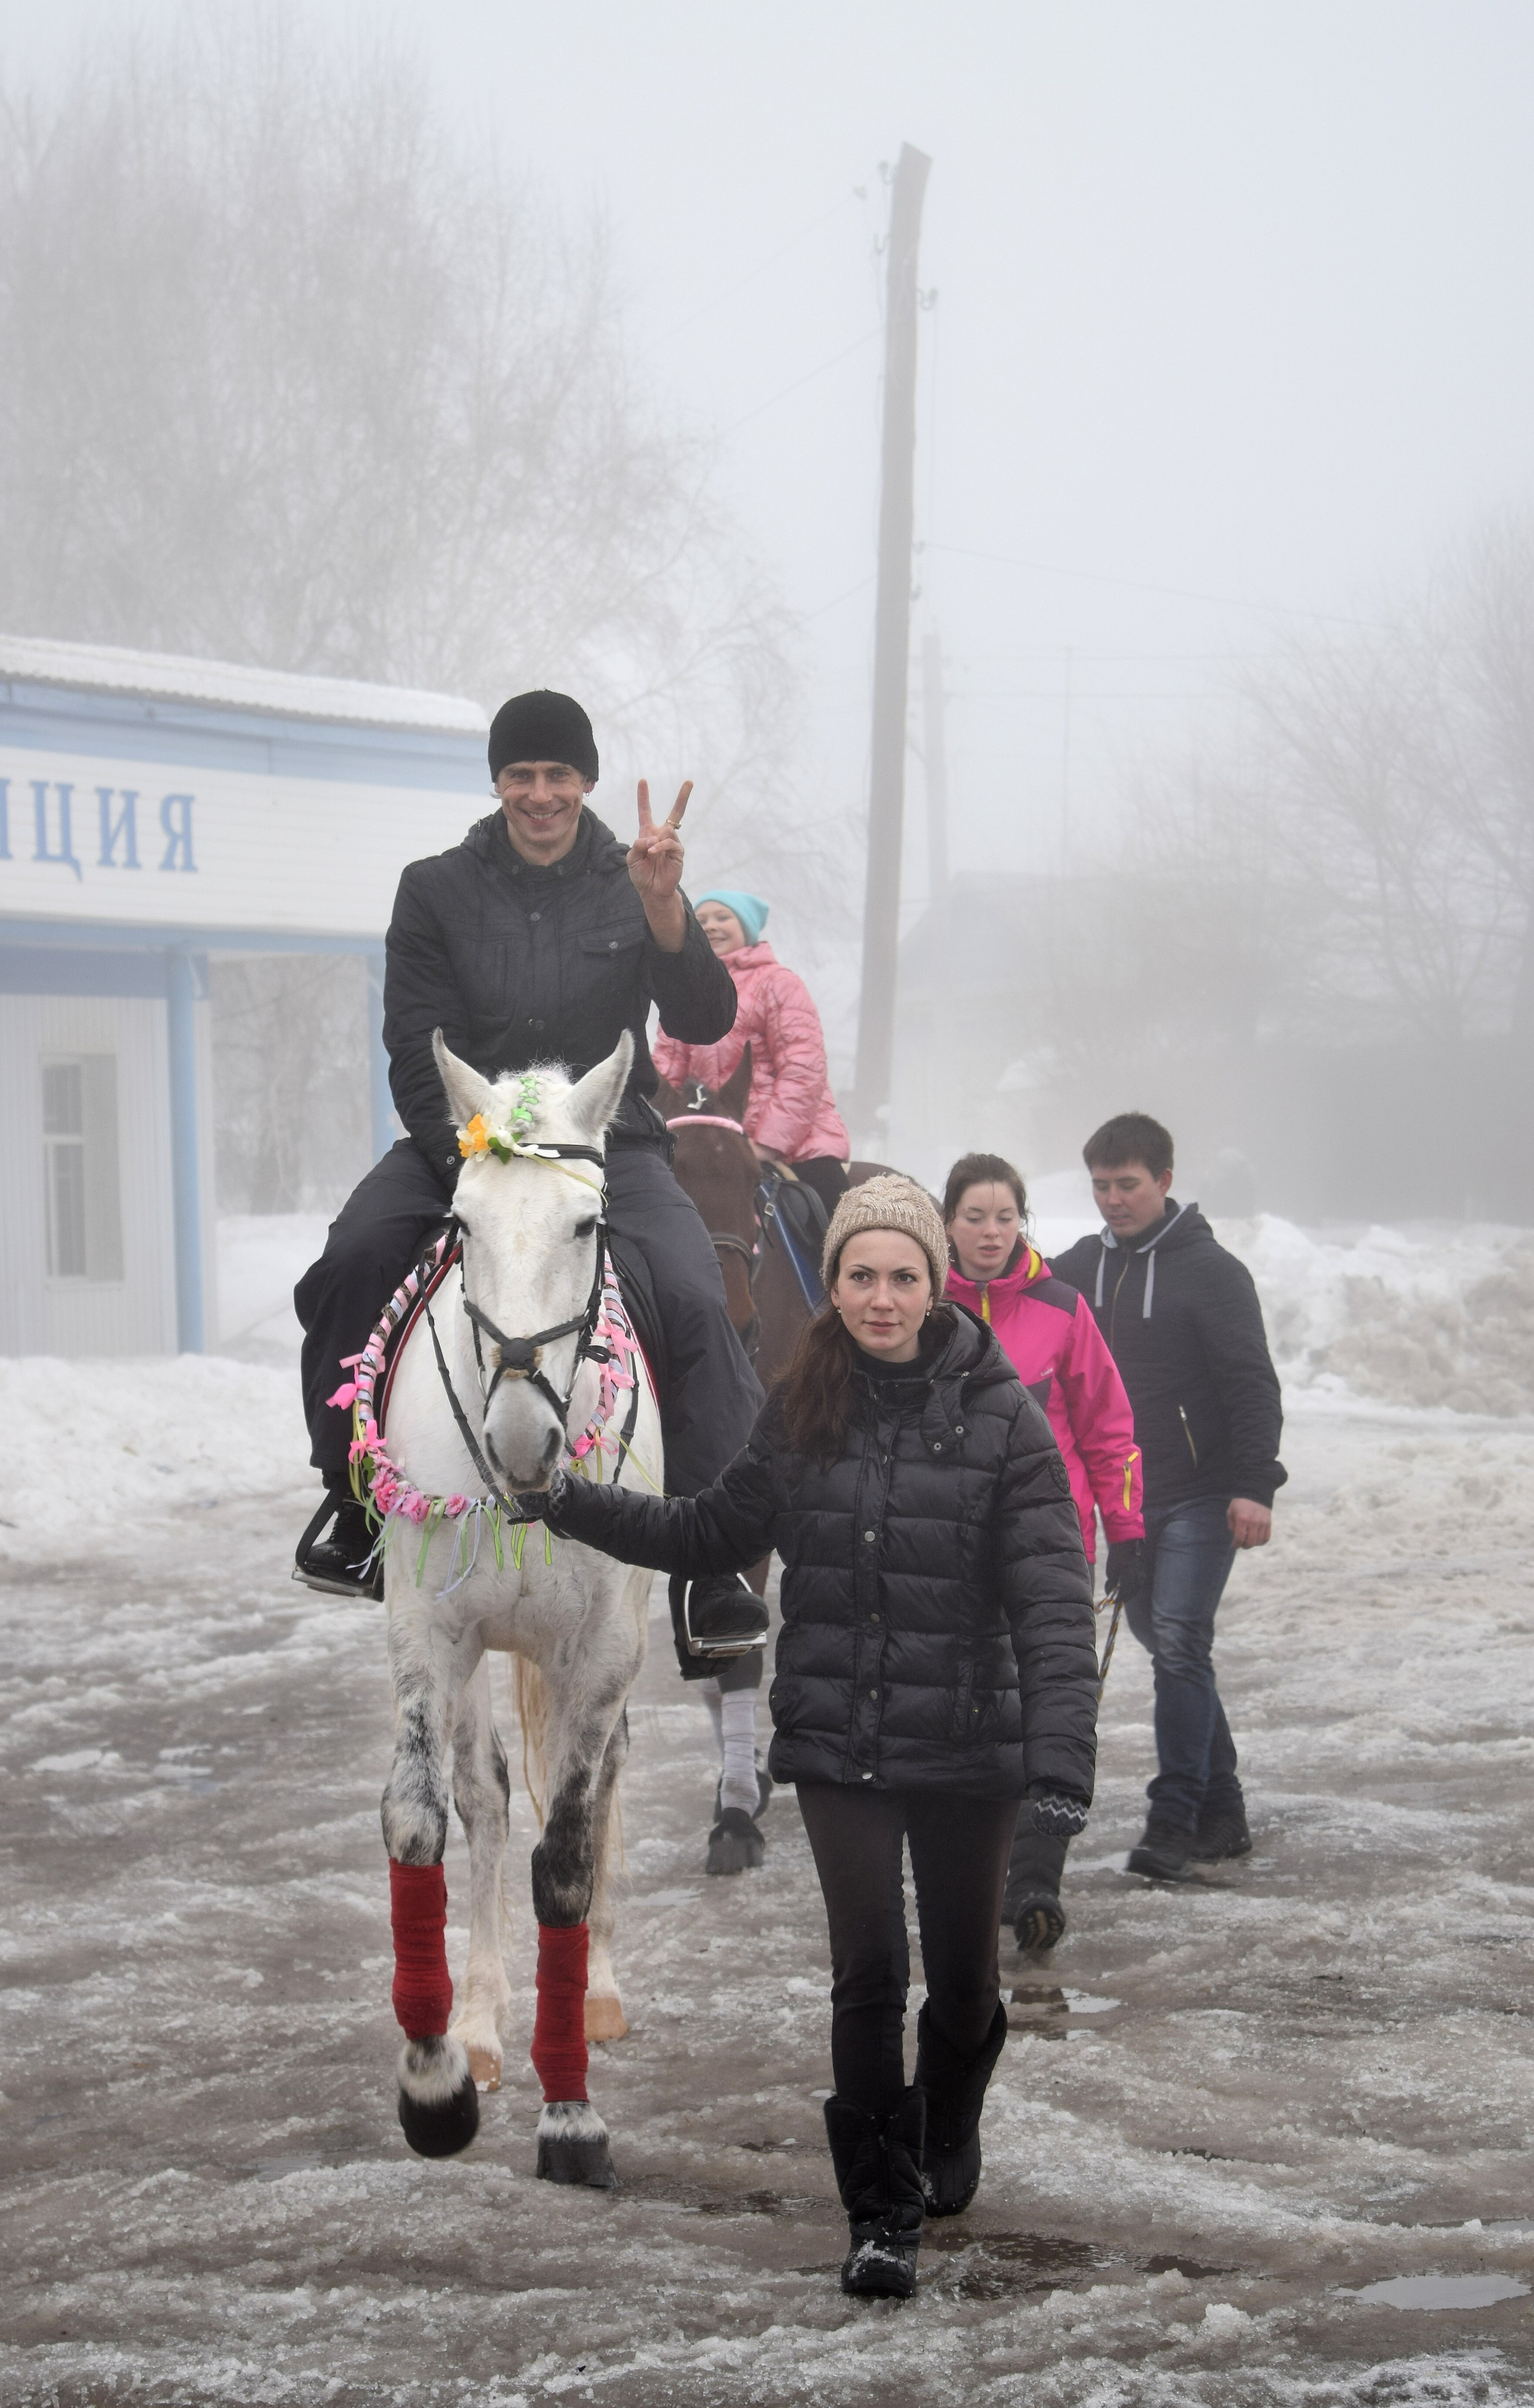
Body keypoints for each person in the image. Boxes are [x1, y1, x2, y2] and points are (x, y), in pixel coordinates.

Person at [529, 1175, 1099, 2298]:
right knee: (869, 1971)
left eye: (903, 1276)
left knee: (968, 1983)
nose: (880, 1298)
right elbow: (712, 1528)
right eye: (859, 1276)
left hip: (970, 1741)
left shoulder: (1004, 1416)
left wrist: (1062, 1761)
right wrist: (567, 1497)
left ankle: (948, 2111)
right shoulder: (800, 1407)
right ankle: (880, 2212)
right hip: (842, 1736)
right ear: (831, 1284)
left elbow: (1051, 1600)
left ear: (938, 1286)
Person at [292, 689, 768, 1694]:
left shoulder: (635, 879)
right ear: (499, 781)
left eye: (559, 774)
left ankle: (713, 1563)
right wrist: (476, 1146)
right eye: (522, 774)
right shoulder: (434, 888)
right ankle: (352, 1503)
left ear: (585, 781)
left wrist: (663, 909)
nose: (541, 793)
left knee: (692, 1296)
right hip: (462, 1139)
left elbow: (706, 1016)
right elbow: (413, 1041)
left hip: (609, 1144)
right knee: (351, 1262)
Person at [1051, 1112, 1286, 1883]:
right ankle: (1224, 1810)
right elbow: (1011, 1290)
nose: (1113, 1200)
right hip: (1123, 1499)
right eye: (1100, 1186)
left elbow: (1252, 1385)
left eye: (1128, 1185)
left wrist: (1255, 1486)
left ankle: (1176, 1817)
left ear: (1165, 1182)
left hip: (1199, 1493)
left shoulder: (1211, 1273)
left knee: (1181, 1641)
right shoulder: (1082, 1266)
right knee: (1171, 1645)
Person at [943, 1151, 1143, 1951]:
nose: (992, 1233)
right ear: (947, 1222)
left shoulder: (1063, 1307)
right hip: (949, 1545)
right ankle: (979, 1866)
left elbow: (1110, 1426)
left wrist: (1126, 1530)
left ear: (1022, 1221)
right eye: (975, 1216)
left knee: (1049, 1700)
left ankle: (1035, 1882)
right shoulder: (921, 1307)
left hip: (1051, 1541)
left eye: (1005, 1216)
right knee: (971, 1705)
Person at [653, 888, 851, 1222]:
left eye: (723, 917)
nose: (711, 926)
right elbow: (666, 1072)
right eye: (700, 920)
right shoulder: (688, 992)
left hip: (796, 1142)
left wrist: (767, 1144)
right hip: (711, 1136)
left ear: (747, 927)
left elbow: (803, 1071)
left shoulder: (779, 984)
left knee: (838, 1223)